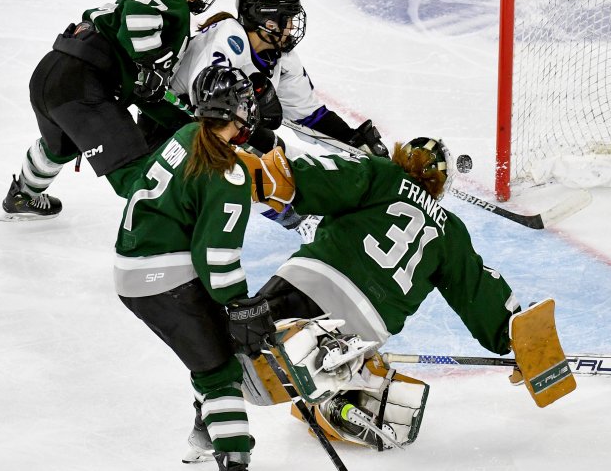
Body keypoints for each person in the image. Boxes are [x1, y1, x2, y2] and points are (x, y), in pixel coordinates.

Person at [218, 139, 577, 452]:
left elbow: (319, 179)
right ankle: (332, 397)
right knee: (376, 394)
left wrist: (269, 175)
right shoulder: (449, 232)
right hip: (363, 329)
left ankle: (217, 417)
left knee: (232, 348)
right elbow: (476, 290)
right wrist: (510, 336)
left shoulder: (381, 174)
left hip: (310, 283)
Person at [114, 65, 296, 471]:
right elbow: (215, 258)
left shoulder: (185, 136)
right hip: (165, 279)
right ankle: (233, 456)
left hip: (135, 269)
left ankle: (204, 433)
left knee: (211, 351)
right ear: (235, 111)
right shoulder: (227, 173)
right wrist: (240, 306)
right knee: (220, 373)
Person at [145, 0, 389, 237]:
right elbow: (208, 105)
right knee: (248, 171)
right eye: (287, 19)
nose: (292, 26)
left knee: (282, 156)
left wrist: (351, 140)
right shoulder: (229, 37)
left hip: (228, 124)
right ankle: (296, 221)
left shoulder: (280, 56)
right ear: (266, 20)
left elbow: (309, 116)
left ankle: (300, 209)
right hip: (175, 129)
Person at [0, 0, 218, 221]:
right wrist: (150, 62)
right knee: (133, 168)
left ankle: (22, 195)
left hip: (51, 73)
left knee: (60, 147)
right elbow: (137, 13)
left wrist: (183, 121)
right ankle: (185, 224)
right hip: (82, 83)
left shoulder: (150, 6)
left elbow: (148, 93)